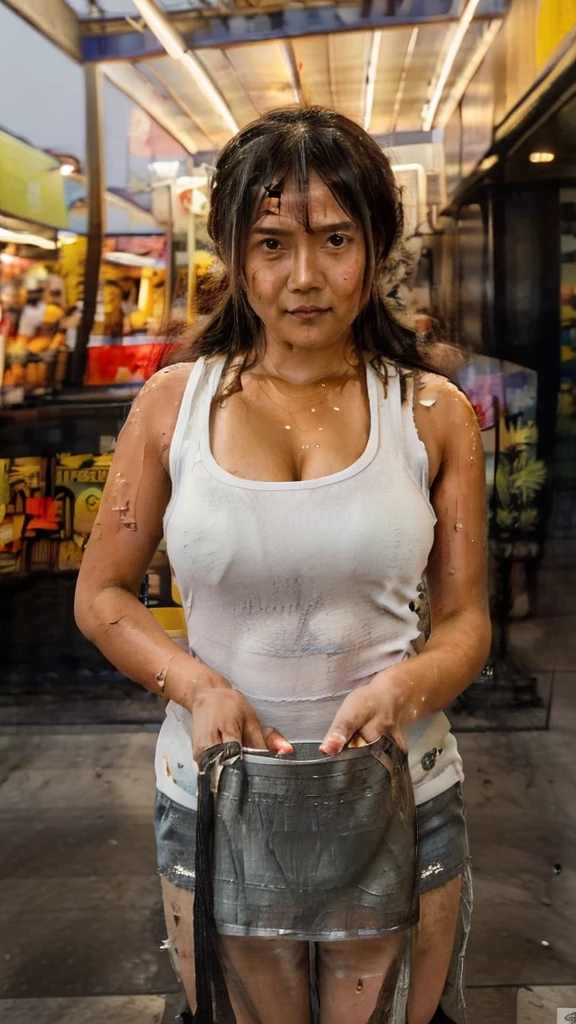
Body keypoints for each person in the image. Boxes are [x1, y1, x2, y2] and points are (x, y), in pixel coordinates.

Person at [75, 106, 490, 1024]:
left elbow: (466, 622)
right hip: (217, 793)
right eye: (271, 243)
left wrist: (409, 687)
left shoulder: (432, 413)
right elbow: (101, 593)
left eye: (335, 238)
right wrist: (194, 686)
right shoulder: (171, 407)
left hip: (400, 790)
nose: (305, 277)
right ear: (233, 251)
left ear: (376, 244)